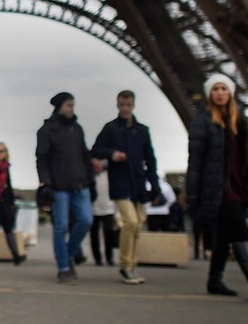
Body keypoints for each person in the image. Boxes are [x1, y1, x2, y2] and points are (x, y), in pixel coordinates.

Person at [185, 74, 248, 303]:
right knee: (238, 231)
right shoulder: (202, 121)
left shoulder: (241, 121)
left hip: (239, 185)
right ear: (209, 94)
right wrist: (192, 194)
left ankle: (214, 280)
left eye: (224, 88)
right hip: (218, 188)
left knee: (224, 235)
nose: (220, 93)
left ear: (231, 92)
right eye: (215, 89)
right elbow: (195, 161)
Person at [91, 89, 163, 284]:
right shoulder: (110, 128)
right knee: (130, 222)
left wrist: (154, 185)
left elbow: (151, 159)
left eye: (128, 105)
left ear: (133, 105)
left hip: (137, 183)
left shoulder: (142, 131)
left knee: (137, 225)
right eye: (122, 105)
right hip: (120, 181)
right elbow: (95, 149)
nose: (125, 108)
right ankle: (125, 265)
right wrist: (112, 154)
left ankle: (131, 265)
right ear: (117, 105)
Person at [36, 91, 94, 285]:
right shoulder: (47, 130)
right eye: (69, 105)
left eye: (73, 105)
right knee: (60, 226)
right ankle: (63, 267)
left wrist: (89, 179)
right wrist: (46, 183)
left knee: (86, 220)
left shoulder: (77, 129)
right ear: (59, 106)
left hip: (80, 183)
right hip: (59, 186)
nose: (72, 109)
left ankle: (68, 254)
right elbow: (42, 159)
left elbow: (84, 155)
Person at [89, 158, 116, 267]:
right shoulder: (90, 176)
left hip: (108, 208)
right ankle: (98, 258)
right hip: (93, 208)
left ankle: (109, 257)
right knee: (94, 234)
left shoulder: (110, 175)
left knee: (109, 232)